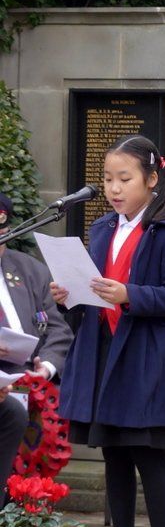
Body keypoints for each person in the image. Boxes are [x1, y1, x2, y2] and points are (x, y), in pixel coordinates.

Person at [53, 135, 165, 527]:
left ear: (152, 179)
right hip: (107, 351)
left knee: (148, 452)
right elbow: (92, 293)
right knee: (115, 453)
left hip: (148, 355)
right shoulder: (102, 228)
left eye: (125, 178)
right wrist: (69, 295)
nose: (114, 188)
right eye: (107, 178)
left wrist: (128, 294)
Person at [0, 191, 73, 504]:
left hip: (28, 376)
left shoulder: (31, 271)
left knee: (24, 406)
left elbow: (58, 329)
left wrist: (48, 367)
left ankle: (22, 504)